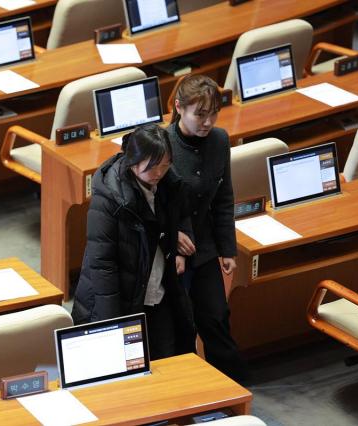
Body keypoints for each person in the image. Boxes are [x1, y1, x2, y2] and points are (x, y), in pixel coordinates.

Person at [71, 124, 196, 360]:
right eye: (152, 167)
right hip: (120, 297)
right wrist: (112, 327)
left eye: (165, 164)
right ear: (133, 161)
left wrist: (177, 242)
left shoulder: (169, 183)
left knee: (168, 360)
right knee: (129, 365)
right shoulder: (109, 198)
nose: (159, 172)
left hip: (158, 289)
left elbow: (182, 213)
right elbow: (102, 264)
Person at [167, 74, 247, 380]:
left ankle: (232, 389)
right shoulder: (164, 145)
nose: (208, 121)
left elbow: (224, 198)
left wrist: (228, 248)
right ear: (179, 108)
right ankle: (187, 389)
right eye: (200, 114)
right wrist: (171, 236)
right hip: (170, 252)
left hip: (205, 245)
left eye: (213, 113)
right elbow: (151, 207)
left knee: (216, 317)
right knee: (181, 326)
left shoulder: (219, 140)